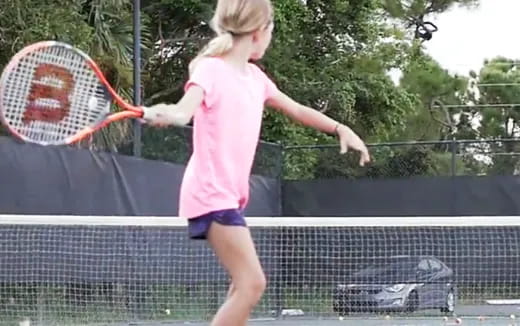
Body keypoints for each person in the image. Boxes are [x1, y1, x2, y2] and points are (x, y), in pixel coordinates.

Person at [142, 0, 371, 325]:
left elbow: (298, 111)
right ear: (258, 31)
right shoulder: (210, 69)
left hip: (228, 197)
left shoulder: (256, 78)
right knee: (253, 283)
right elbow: (182, 111)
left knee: (241, 288)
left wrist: (340, 128)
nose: (270, 37)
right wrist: (165, 113)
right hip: (209, 194)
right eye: (271, 31)